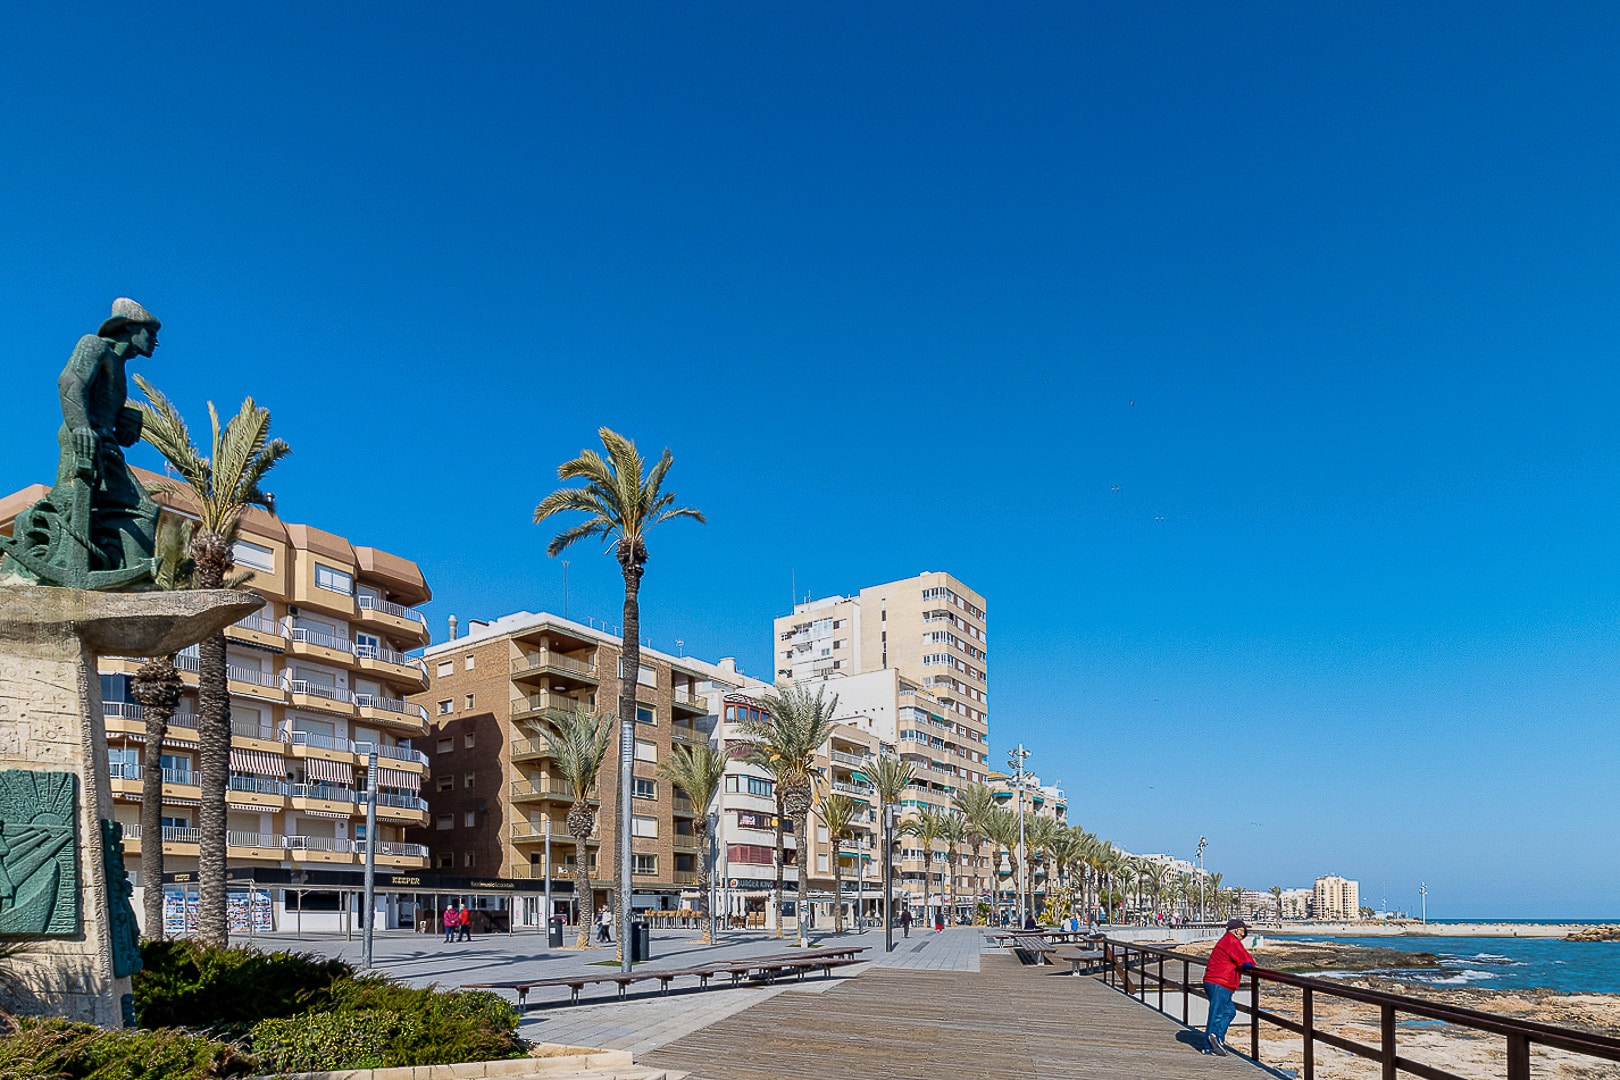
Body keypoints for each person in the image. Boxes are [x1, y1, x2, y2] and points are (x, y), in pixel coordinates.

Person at [1203, 918, 1256, 1056]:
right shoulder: (1231, 941)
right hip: (1219, 982)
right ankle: (1209, 1043)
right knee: (1217, 1013)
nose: (1243, 934)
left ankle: (1217, 1039)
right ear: (1237, 930)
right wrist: (1249, 964)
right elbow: (1246, 961)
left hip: (1218, 981)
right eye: (1243, 930)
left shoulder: (1227, 940)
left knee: (1229, 1011)